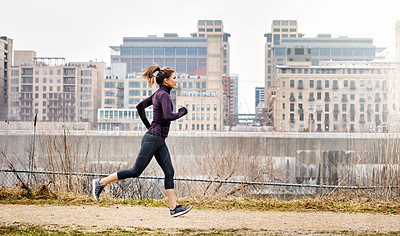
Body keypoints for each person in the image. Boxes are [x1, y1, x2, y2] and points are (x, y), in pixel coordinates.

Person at [92, 65, 192, 217]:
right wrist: (182, 112)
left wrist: (149, 126)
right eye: (174, 78)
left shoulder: (158, 94)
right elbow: (167, 116)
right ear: (166, 81)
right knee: (135, 171)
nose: (176, 81)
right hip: (153, 139)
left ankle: (174, 208)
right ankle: (100, 183)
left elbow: (140, 107)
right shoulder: (163, 95)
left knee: (169, 171)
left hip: (157, 139)